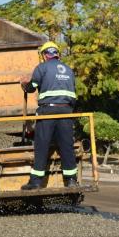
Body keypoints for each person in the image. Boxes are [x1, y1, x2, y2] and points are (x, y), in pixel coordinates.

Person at [20, 41, 79, 190]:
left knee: (42, 145)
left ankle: (36, 182)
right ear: (57, 54)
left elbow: (32, 87)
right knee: (67, 146)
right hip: (66, 111)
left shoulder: (42, 68)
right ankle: (71, 180)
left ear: (45, 55)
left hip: (47, 112)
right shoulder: (68, 69)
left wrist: (24, 85)